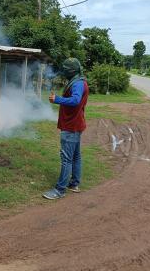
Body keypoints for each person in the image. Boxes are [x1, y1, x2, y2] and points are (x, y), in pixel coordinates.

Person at [43, 58, 89, 200]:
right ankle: (74, 184)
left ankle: (60, 190)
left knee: (66, 158)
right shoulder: (79, 81)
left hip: (71, 126)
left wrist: (57, 99)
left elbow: (75, 100)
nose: (64, 72)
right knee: (75, 156)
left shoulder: (78, 84)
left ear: (71, 71)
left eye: (66, 70)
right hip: (76, 124)